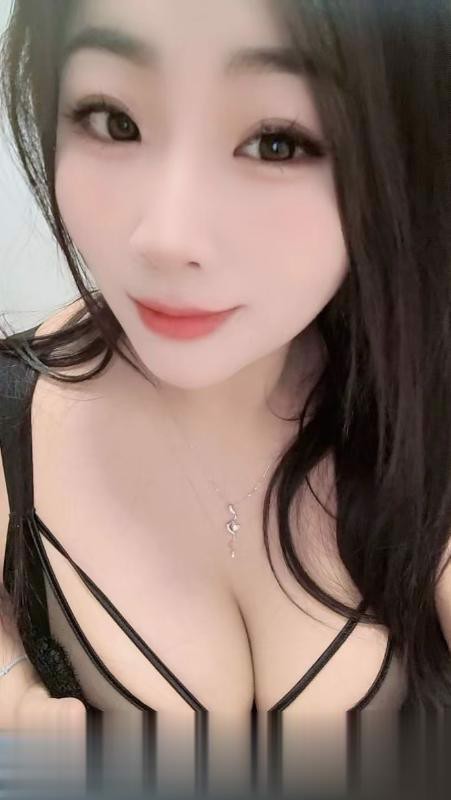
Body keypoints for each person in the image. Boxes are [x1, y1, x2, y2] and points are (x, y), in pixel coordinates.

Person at [0, 0, 450, 796]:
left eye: (277, 141)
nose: (165, 238)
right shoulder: (15, 424)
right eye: (112, 120)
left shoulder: (423, 397)